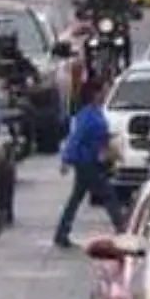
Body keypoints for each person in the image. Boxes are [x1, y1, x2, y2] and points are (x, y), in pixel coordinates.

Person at [54, 80, 128, 247]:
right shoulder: (87, 115)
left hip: (92, 161)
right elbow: (76, 138)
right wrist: (66, 159)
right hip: (87, 162)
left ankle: (62, 232)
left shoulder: (95, 112)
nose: (105, 94)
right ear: (95, 94)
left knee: (77, 198)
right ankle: (122, 228)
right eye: (102, 91)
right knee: (108, 195)